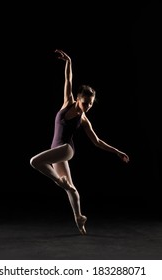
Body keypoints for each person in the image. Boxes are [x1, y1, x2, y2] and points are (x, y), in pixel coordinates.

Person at [30, 49, 130, 235]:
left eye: (91, 104)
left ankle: (61, 183)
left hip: (66, 149)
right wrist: (69, 61)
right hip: (57, 150)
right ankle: (79, 218)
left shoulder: (83, 120)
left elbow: (97, 141)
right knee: (72, 188)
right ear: (78, 99)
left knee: (35, 162)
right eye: (85, 103)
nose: (88, 107)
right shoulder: (67, 102)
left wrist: (117, 151)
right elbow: (68, 79)